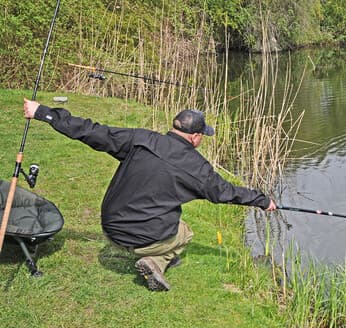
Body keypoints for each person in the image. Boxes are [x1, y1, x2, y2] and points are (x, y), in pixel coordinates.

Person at [23, 98, 277, 291]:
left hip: (110, 229)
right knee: (185, 232)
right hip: (141, 238)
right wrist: (262, 201)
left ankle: (155, 257)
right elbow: (226, 192)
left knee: (164, 216)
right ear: (196, 137)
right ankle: (158, 258)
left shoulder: (139, 138)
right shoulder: (196, 167)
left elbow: (90, 131)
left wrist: (42, 112)